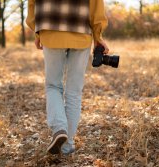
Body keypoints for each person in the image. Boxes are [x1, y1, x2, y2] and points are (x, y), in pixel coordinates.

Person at [26, 0, 109, 155]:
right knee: (74, 92)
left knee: (53, 86)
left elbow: (32, 4)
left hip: (50, 30)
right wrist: (98, 36)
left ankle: (59, 128)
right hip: (81, 31)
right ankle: (67, 145)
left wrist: (38, 31)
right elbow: (96, 6)